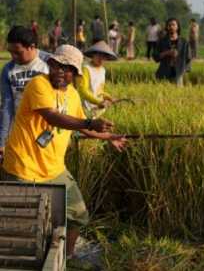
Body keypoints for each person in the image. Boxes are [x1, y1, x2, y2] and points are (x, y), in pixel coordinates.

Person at [0, 44, 126, 258]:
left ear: (75, 74)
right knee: (22, 227)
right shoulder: (38, 85)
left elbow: (80, 125)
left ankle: (68, 256)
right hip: (22, 166)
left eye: (67, 68)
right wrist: (89, 123)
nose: (61, 71)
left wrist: (109, 137)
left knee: (78, 215)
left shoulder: (73, 96)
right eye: (57, 65)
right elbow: (53, 117)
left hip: (54, 169)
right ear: (50, 64)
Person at [0, 26, 49, 162]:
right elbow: (7, 107)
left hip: (46, 131)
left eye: (18, 52)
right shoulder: (8, 70)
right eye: (11, 52)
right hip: (20, 130)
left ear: (31, 47)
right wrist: (2, 141)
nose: (13, 57)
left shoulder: (49, 63)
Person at [76, 41, 117, 116]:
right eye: (98, 55)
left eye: (104, 56)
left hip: (99, 109)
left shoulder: (102, 70)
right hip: (87, 109)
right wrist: (98, 102)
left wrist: (109, 97)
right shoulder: (86, 69)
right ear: (93, 55)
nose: (101, 59)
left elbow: (100, 91)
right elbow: (83, 91)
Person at [153, 18, 191, 86]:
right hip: (164, 72)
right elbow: (155, 57)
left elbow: (188, 58)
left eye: (173, 25)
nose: (171, 27)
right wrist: (167, 53)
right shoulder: (162, 41)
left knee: (178, 94)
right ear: (167, 27)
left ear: (178, 27)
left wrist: (184, 71)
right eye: (169, 25)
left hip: (178, 73)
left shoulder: (184, 42)